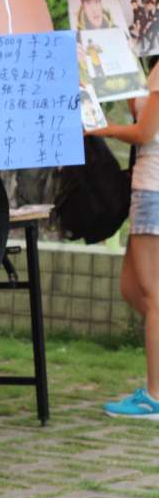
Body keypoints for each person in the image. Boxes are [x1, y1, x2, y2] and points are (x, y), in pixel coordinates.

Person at [87, 55, 159, 421]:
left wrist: (101, 130)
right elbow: (143, 113)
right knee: (131, 288)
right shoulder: (152, 70)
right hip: (147, 188)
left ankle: (154, 396)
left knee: (152, 294)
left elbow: (144, 133)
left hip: (153, 188)